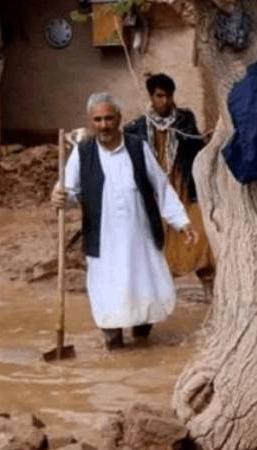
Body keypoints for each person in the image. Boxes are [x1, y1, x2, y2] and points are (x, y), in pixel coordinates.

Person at [51, 92, 197, 350]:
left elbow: (161, 188)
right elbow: (69, 192)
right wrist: (59, 196)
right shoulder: (82, 153)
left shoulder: (138, 147)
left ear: (119, 118)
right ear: (90, 122)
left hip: (139, 238)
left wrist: (182, 222)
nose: (104, 125)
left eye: (109, 118)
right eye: (98, 120)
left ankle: (142, 340)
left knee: (144, 295)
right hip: (103, 241)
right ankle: (113, 342)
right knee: (108, 296)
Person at [124, 73, 215, 299]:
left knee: (199, 234)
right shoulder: (136, 128)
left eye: (168, 96)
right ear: (151, 96)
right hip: (153, 194)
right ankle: (157, 298)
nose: (164, 101)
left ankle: (209, 293)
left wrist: (207, 142)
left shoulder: (184, 121)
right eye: (159, 96)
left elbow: (196, 150)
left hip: (183, 187)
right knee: (156, 243)